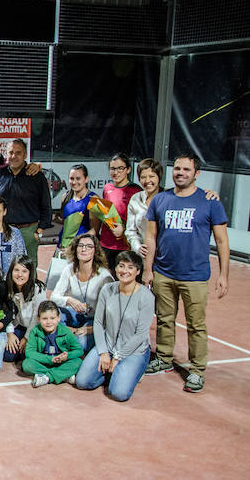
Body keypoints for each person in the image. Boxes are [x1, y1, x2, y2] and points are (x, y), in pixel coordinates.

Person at [143, 153, 230, 393]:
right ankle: (164, 358)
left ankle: (197, 370)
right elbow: (150, 236)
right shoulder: (160, 200)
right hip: (164, 273)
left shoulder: (210, 202)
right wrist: (148, 269)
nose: (180, 173)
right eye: (177, 168)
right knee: (164, 319)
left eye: (186, 170)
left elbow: (222, 241)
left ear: (196, 174)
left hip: (195, 276)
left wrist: (224, 275)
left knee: (196, 325)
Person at [76, 251, 154, 401]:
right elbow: (98, 323)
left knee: (118, 393)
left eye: (130, 267)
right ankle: (113, 373)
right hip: (109, 346)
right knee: (83, 382)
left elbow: (141, 334)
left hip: (133, 351)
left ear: (138, 271)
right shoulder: (108, 290)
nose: (125, 271)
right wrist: (104, 352)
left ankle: (132, 371)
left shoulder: (146, 297)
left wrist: (118, 356)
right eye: (121, 266)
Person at [0, 138, 51, 266]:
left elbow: (46, 205)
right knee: (1, 267)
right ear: (5, 154)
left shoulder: (37, 177)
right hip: (3, 230)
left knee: (28, 269)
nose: (14, 156)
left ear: (25, 155)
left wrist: (40, 231)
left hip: (28, 232)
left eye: (18, 152)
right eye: (10, 152)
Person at [50, 233, 114, 353]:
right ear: (75, 248)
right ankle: (59, 343)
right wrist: (69, 300)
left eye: (89, 246)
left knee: (80, 344)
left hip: (96, 320)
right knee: (52, 313)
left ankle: (64, 343)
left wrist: (92, 329)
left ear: (95, 251)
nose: (84, 249)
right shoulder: (69, 269)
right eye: (81, 245)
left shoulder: (105, 277)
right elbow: (54, 297)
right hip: (76, 315)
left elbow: (112, 314)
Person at [23, 301, 83, 388]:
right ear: (38, 318)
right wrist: (50, 359)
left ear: (58, 318)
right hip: (44, 362)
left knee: (78, 362)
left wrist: (67, 356)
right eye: (44, 318)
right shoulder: (35, 332)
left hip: (62, 363)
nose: (48, 322)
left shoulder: (66, 331)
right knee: (27, 364)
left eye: (52, 318)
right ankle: (63, 376)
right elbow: (29, 352)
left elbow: (79, 351)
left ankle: (47, 377)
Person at [99, 153, 142, 269]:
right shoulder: (107, 188)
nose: (116, 172)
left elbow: (140, 221)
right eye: (112, 168)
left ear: (128, 170)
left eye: (120, 168)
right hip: (106, 244)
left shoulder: (136, 191)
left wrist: (124, 230)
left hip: (125, 246)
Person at [3, 255, 47, 363]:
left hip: (35, 328)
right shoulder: (6, 287)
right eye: (16, 270)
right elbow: (5, 313)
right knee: (8, 356)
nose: (19, 275)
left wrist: (26, 338)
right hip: (18, 326)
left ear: (30, 273)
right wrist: (10, 333)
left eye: (24, 271)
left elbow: (36, 318)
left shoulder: (38, 289)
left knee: (28, 355)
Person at [56, 164, 99, 251]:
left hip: (82, 248)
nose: (74, 182)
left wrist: (75, 245)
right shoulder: (65, 196)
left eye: (78, 178)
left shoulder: (94, 199)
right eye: (72, 179)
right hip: (63, 246)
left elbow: (94, 230)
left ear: (86, 179)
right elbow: (66, 224)